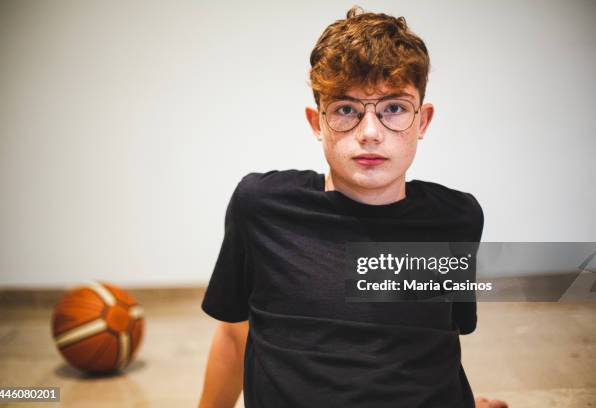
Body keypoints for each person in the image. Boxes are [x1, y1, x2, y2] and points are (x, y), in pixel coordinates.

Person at [199, 6, 508, 408]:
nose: (370, 133)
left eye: (393, 108)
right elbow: (232, 333)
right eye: (346, 109)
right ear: (317, 122)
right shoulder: (262, 208)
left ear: (423, 121)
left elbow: (438, 340)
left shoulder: (457, 218)